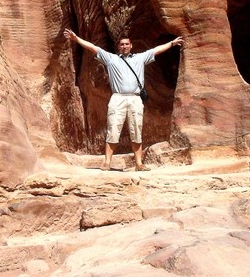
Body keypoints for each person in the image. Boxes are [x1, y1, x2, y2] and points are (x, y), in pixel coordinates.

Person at [63, 28, 183, 171]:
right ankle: (107, 162)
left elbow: (156, 50)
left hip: (135, 98)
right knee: (113, 128)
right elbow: (93, 48)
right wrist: (76, 39)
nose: (125, 46)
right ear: (118, 47)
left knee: (136, 129)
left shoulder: (140, 58)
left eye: (127, 44)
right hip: (118, 98)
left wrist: (172, 43)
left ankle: (139, 164)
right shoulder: (111, 59)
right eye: (122, 44)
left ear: (131, 46)